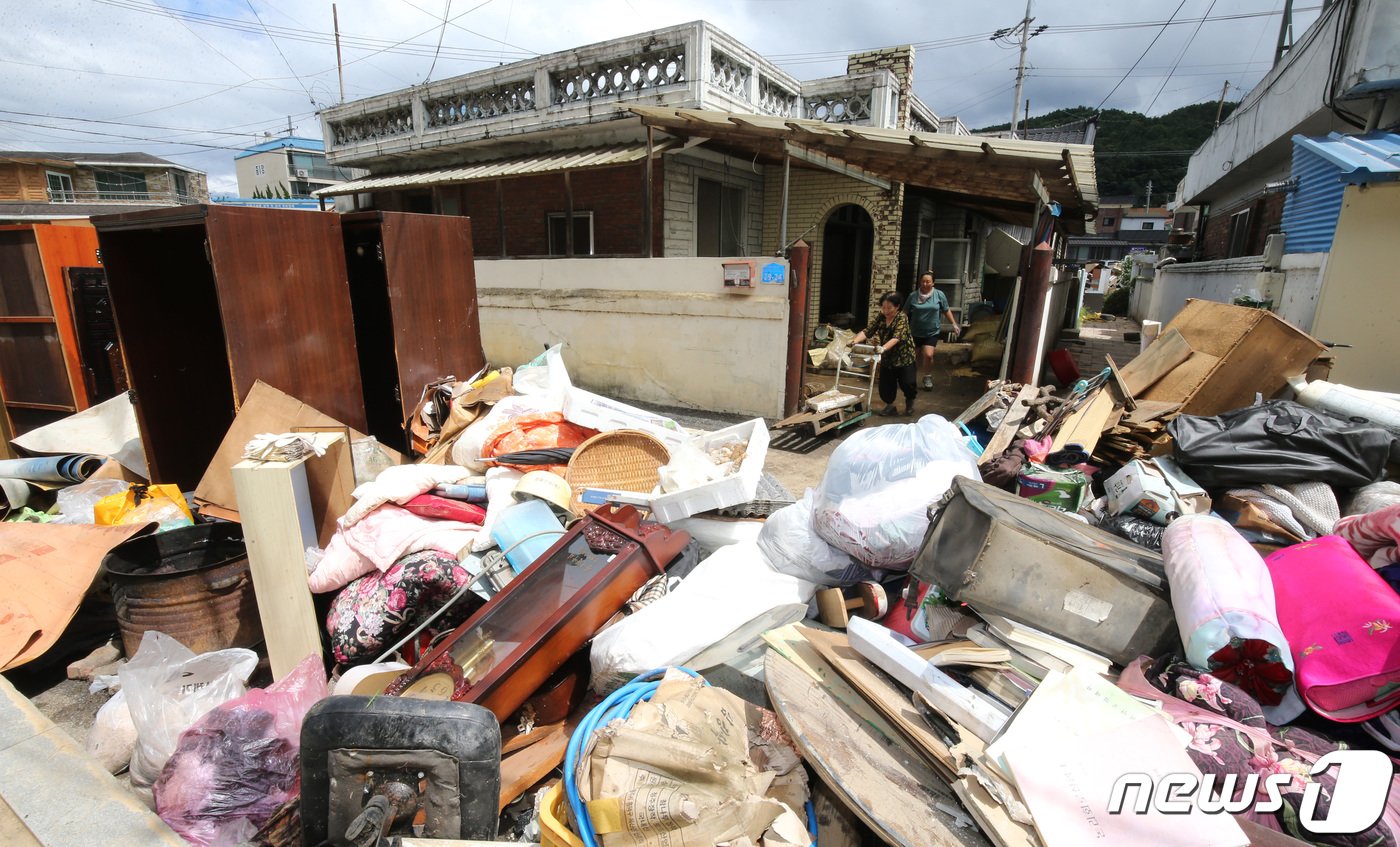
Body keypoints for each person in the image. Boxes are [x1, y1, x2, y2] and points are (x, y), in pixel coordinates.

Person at [851, 291, 917, 417]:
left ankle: (910, 403)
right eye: (883, 307)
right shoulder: (881, 316)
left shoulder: (902, 318)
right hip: (888, 358)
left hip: (904, 357)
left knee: (907, 383)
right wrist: (854, 341)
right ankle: (890, 406)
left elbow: (897, 337)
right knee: (886, 385)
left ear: (897, 307)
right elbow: (868, 330)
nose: (886, 311)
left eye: (889, 308)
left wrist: (883, 348)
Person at [904, 272, 960, 391]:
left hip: (932, 332)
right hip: (915, 332)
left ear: (933, 283)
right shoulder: (913, 296)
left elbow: (946, 310)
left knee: (928, 355)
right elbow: (905, 312)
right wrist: (898, 327)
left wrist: (954, 324)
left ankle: (927, 377)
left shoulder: (939, 295)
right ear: (920, 282)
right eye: (923, 281)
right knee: (912, 357)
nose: (925, 284)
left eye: (928, 281)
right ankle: (911, 378)